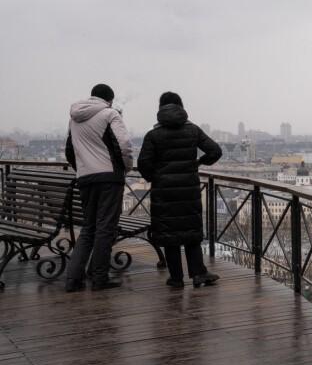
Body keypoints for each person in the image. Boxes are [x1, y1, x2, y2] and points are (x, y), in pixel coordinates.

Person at [137, 92, 222, 288]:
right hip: (189, 190)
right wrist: (200, 162)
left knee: (169, 234)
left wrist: (155, 177)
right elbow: (215, 151)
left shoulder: (153, 135)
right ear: (182, 107)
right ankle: (199, 273)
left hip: (164, 192)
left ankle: (176, 278)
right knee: (191, 231)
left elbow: (143, 164)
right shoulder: (193, 130)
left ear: (160, 109)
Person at [65, 83, 133, 292]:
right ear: (110, 100)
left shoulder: (74, 118)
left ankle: (73, 279)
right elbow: (124, 145)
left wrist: (83, 169)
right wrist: (126, 167)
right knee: (105, 228)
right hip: (108, 179)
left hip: (85, 178)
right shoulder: (110, 114)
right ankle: (100, 278)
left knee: (88, 228)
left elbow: (69, 150)